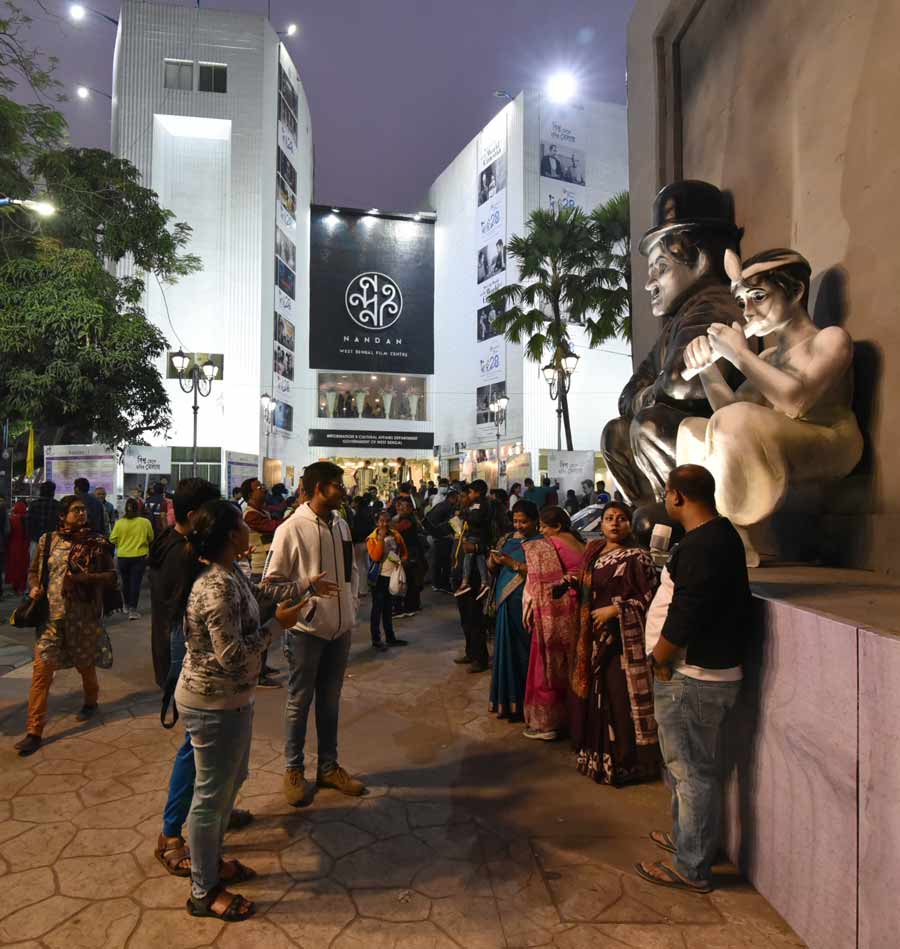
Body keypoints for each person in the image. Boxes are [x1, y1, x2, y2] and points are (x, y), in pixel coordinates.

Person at [678, 248, 863, 564]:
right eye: (742, 302)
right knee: (692, 431)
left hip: (830, 440)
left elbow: (795, 400)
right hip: (781, 438)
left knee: (734, 422)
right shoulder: (767, 358)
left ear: (796, 291)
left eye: (758, 297)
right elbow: (729, 413)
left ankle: (730, 530)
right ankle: (717, 530)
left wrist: (739, 354)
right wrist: (706, 368)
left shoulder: (830, 339)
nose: (747, 311)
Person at [177, 499, 310, 923]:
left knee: (232, 782)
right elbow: (232, 655)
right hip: (211, 700)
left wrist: (307, 586)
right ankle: (203, 890)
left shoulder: (232, 573)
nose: (248, 529)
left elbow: (264, 595)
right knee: (210, 796)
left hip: (234, 698)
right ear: (231, 535)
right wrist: (277, 627)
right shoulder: (215, 588)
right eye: (241, 525)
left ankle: (211, 862)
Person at [634, 465, 751, 894]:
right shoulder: (718, 537)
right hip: (702, 674)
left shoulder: (704, 544)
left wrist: (662, 659)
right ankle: (691, 840)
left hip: (693, 677)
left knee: (692, 773)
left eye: (667, 494)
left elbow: (689, 609)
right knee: (691, 770)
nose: (665, 501)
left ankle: (693, 866)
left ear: (677, 496)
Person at [601, 180, 744, 510]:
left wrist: (651, 391)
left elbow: (681, 382)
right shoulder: (676, 323)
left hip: (716, 444)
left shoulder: (714, 306)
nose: (650, 283)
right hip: (682, 436)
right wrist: (654, 390)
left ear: (701, 260)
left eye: (661, 268)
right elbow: (628, 395)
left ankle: (686, 510)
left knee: (649, 425)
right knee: (617, 432)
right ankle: (656, 505)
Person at [151, 478, 255, 881]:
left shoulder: (187, 551)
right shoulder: (190, 561)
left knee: (209, 761)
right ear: (197, 519)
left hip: (195, 660)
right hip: (196, 666)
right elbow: (207, 634)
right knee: (193, 750)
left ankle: (213, 816)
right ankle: (172, 834)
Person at [262, 461, 363, 806]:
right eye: (337, 484)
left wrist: (351, 608)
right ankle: (293, 769)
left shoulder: (342, 526)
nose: (344, 489)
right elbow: (270, 586)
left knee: (330, 701)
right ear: (319, 488)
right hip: (306, 631)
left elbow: (351, 572)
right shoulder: (290, 528)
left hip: (340, 630)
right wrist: (307, 589)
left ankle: (328, 767)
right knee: (298, 701)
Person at [14, 495, 119, 756]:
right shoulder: (47, 541)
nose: (82, 514)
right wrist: (36, 585)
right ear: (63, 515)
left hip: (82, 617)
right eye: (76, 510)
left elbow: (111, 576)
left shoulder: (97, 543)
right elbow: (34, 571)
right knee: (42, 671)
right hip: (51, 618)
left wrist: (83, 578)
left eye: (83, 510)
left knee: (85, 664)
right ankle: (34, 730)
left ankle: (91, 701)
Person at [569, 501, 660, 786]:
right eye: (609, 518)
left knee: (621, 698)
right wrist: (570, 582)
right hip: (595, 637)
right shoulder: (594, 552)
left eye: (621, 518)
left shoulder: (638, 557)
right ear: (602, 523)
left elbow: (651, 599)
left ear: (629, 524)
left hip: (622, 640)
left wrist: (615, 611)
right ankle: (599, 756)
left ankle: (626, 763)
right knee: (600, 695)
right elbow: (590, 586)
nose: (614, 523)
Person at [519, 506, 585, 740]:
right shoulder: (582, 543)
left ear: (556, 527)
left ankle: (547, 724)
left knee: (546, 663)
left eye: (544, 527)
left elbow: (537, 583)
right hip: (578, 610)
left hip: (554, 610)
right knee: (573, 664)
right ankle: (573, 718)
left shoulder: (549, 545)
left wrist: (528, 609)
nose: (541, 532)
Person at [487, 500, 542, 722]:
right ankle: (507, 701)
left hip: (526, 604)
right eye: (516, 521)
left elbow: (542, 571)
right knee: (505, 651)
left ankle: (526, 703)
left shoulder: (540, 543)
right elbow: (493, 570)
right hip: (505, 603)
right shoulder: (507, 540)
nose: (519, 525)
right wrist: (493, 561)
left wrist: (513, 564)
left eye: (524, 521)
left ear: (535, 521)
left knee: (524, 652)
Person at [240, 478, 282, 689]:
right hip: (259, 572)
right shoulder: (251, 515)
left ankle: (262, 667)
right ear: (249, 494)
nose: (263, 489)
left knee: (267, 622)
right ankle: (258, 673)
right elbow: (274, 527)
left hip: (265, 569)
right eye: (258, 488)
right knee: (263, 624)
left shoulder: (261, 511)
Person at [366, 510, 409, 651]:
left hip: (392, 578)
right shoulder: (371, 539)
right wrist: (381, 539)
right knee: (377, 610)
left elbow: (403, 552)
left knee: (388, 609)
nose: (384, 524)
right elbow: (376, 557)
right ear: (377, 523)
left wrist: (401, 560)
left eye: (387, 521)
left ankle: (390, 637)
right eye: (381, 521)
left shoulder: (396, 535)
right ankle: (376, 640)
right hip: (378, 579)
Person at [110, 498, 155, 619]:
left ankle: (125, 604)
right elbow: (151, 538)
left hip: (123, 557)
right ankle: (133, 610)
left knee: (125, 583)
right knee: (135, 583)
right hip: (139, 557)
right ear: (138, 508)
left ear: (125, 509)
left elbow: (112, 539)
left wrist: (122, 541)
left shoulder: (119, 523)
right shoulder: (145, 522)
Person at [454, 480, 493, 599]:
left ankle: (465, 582)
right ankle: (484, 582)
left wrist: (463, 516)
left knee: (469, 554)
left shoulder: (480, 504)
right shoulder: (475, 504)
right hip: (475, 536)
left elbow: (476, 518)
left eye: (469, 493)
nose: (467, 495)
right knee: (478, 556)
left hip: (476, 536)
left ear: (478, 493)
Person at [392, 497, 426, 617]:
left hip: (411, 554)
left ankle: (410, 606)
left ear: (410, 509)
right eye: (400, 505)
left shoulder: (408, 520)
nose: (400, 508)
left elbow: (395, 530)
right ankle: (412, 605)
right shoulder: (406, 518)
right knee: (410, 580)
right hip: (410, 552)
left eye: (404, 506)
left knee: (410, 580)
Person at [425, 487, 458, 593]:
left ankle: (437, 583)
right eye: (457, 498)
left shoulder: (440, 505)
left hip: (434, 536)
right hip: (442, 537)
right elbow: (453, 523)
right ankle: (443, 584)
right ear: (451, 498)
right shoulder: (448, 507)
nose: (458, 501)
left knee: (438, 561)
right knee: (444, 562)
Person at [27, 481, 59, 559]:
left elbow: (28, 523)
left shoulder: (33, 504)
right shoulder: (58, 505)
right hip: (53, 541)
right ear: (52, 492)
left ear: (41, 491)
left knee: (34, 566)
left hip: (36, 540)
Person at [350, 495, 375, 598]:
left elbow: (356, 530)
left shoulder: (357, 516)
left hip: (360, 543)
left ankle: (362, 589)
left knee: (360, 567)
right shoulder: (368, 513)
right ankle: (368, 586)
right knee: (366, 564)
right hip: (368, 541)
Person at [5, 500, 30, 596]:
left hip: (14, 545)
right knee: (24, 566)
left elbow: (8, 533)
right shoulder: (28, 518)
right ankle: (23, 586)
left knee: (14, 565)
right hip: (25, 545)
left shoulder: (12, 519)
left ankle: (15, 585)